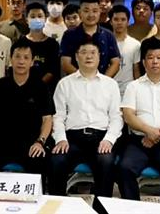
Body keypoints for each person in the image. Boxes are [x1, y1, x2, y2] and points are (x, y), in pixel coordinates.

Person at [0, 40, 53, 191]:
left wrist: (40, 142)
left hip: (30, 144)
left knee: (42, 162)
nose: (21, 61)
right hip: (0, 144)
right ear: (10, 59)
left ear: (32, 62)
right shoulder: (0, 85)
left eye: (26, 57)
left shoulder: (40, 87)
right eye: (17, 56)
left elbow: (47, 119)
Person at [50, 40, 122, 200]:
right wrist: (61, 139)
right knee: (57, 161)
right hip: (72, 138)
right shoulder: (65, 84)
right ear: (76, 57)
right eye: (83, 52)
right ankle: (58, 205)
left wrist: (109, 140)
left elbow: (116, 117)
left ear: (99, 57)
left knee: (106, 161)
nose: (88, 56)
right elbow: (58, 116)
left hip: (101, 138)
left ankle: (100, 209)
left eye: (93, 53)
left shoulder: (110, 85)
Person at [119, 41, 160, 205]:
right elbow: (128, 115)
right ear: (144, 62)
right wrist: (149, 131)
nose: (155, 61)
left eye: (159, 58)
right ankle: (133, 209)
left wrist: (157, 135)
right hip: (138, 141)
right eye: (150, 58)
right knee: (124, 168)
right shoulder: (133, 86)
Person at [60, 0, 121, 77]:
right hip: (76, 81)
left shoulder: (108, 35)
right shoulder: (69, 35)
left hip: (102, 82)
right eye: (86, 11)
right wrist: (83, 79)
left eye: (95, 11)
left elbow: (115, 62)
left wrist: (102, 80)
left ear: (99, 12)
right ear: (80, 13)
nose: (91, 15)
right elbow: (65, 63)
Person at [18, 2, 60, 91]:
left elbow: (53, 70)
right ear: (26, 20)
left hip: (47, 91)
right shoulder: (20, 43)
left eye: (40, 16)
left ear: (45, 19)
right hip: (23, 89)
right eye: (33, 17)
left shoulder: (52, 44)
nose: (37, 19)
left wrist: (38, 86)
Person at [109, 4, 141, 96]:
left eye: (123, 20)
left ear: (128, 22)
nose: (119, 23)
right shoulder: (105, 43)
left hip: (128, 91)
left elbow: (136, 70)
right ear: (110, 22)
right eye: (116, 19)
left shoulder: (135, 44)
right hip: (108, 90)